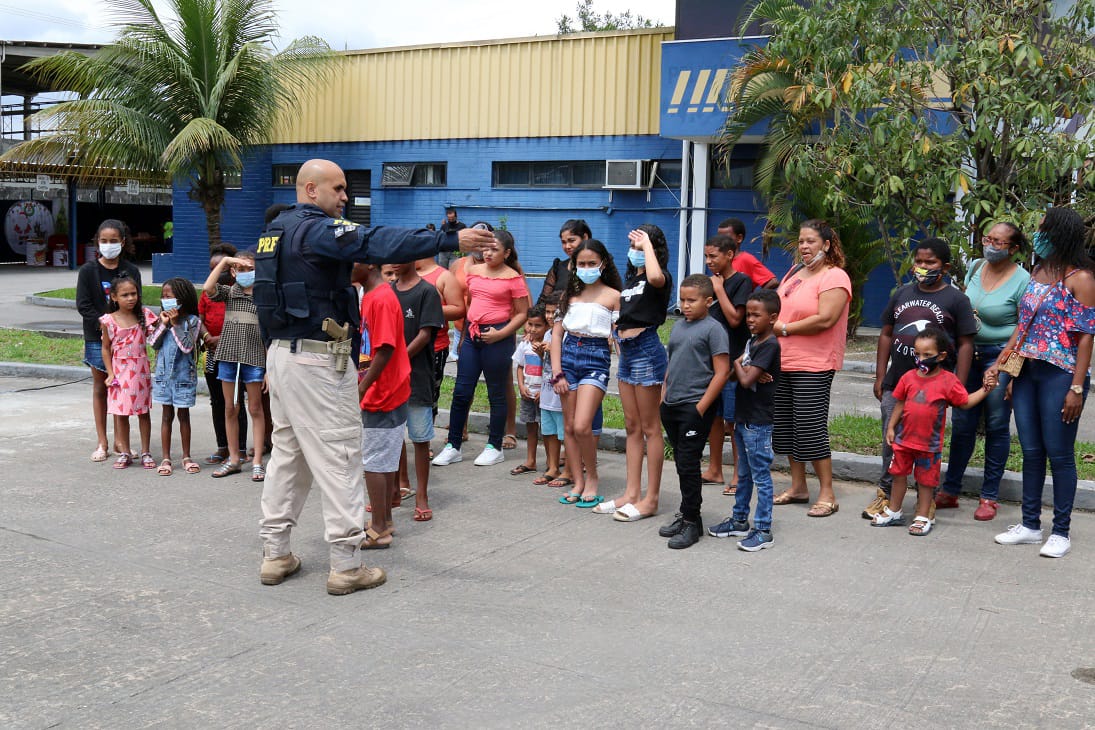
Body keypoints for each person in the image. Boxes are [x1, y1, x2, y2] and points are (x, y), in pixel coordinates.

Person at [253, 158, 492, 596]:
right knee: (342, 457)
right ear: (311, 190)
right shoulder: (316, 229)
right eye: (339, 188)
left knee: (288, 456)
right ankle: (345, 563)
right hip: (319, 362)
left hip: (283, 356)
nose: (346, 197)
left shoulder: (276, 231)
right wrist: (448, 239)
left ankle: (276, 553)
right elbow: (374, 241)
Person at [990, 207, 1095, 558]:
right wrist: (1005, 368)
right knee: (1032, 451)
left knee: (1060, 454)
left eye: (1043, 229)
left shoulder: (1081, 278)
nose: (1038, 235)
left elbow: (1085, 338)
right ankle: (1031, 525)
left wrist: (1077, 388)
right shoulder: (1039, 270)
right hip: (1028, 373)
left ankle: (1061, 531)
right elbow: (1023, 327)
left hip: (1060, 375)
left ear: (1060, 233)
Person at [866, 237, 977, 520]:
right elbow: (887, 333)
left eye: (931, 262)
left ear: (945, 266)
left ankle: (925, 504)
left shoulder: (956, 299)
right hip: (898, 381)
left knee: (925, 445)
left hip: (933, 387)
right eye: (919, 262)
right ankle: (888, 496)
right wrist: (881, 375)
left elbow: (965, 343)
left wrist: (959, 384)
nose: (923, 267)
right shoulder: (902, 293)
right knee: (892, 441)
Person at [936, 223, 1030, 519]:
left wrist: (1006, 367)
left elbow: (1025, 328)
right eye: (988, 239)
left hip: (1000, 355)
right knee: (962, 422)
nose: (990, 245)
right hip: (968, 353)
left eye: (998, 242)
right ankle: (950, 489)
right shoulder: (977, 266)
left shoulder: (1023, 279)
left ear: (1013, 249)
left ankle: (989, 497)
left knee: (997, 424)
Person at [873, 327, 995, 536]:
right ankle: (894, 510)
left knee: (926, 481)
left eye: (927, 355)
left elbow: (964, 402)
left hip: (928, 444)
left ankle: (922, 515)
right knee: (898, 476)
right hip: (903, 441)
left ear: (942, 356)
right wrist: (891, 427)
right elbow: (900, 403)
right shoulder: (909, 377)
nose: (921, 359)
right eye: (917, 354)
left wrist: (985, 390)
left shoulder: (948, 381)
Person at [770, 219, 852, 517]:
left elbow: (826, 318)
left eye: (811, 241)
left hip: (814, 364)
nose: (804, 247)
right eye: (801, 241)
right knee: (788, 427)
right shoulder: (794, 274)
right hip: (783, 362)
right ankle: (798, 487)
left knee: (810, 427)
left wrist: (784, 329)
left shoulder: (834, 277)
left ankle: (827, 493)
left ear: (827, 245)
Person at [433, 229, 529, 467]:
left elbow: (522, 313)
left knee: (496, 393)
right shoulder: (473, 272)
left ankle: (494, 446)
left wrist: (501, 334)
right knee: (461, 391)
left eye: (494, 249)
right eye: (485, 248)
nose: (488, 253)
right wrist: (464, 335)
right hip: (472, 336)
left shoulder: (512, 277)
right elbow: (470, 304)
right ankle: (452, 445)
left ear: (506, 253)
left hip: (498, 336)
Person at [596, 225, 671, 522]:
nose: (636, 253)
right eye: (634, 247)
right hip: (627, 353)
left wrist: (648, 246)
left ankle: (650, 499)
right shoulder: (629, 281)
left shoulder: (659, 277)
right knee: (631, 426)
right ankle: (630, 493)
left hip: (646, 351)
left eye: (641, 247)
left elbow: (655, 276)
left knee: (651, 426)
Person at [657, 274, 731, 549]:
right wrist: (664, 395)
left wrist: (699, 409)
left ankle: (691, 522)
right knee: (681, 463)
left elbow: (722, 372)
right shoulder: (678, 327)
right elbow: (672, 361)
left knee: (688, 464)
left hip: (695, 407)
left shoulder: (714, 329)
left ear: (708, 302)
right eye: (683, 300)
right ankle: (688, 515)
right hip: (672, 405)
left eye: (692, 300)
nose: (685, 305)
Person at [550, 239, 622, 507]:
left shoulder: (614, 296)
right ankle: (578, 481)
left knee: (582, 425)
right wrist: (557, 372)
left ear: (603, 264)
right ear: (574, 266)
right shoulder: (567, 296)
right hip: (567, 358)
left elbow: (617, 338)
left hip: (595, 358)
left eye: (592, 263)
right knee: (568, 426)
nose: (587, 268)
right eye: (582, 264)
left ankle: (592, 478)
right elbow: (557, 335)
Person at [708, 289, 781, 550]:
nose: (750, 319)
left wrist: (742, 366)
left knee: (761, 476)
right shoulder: (753, 343)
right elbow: (732, 374)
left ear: (772, 318)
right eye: (748, 314)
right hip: (743, 418)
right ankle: (739, 520)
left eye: (756, 315)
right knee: (744, 473)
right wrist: (743, 367)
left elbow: (745, 377)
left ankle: (763, 529)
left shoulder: (770, 344)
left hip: (758, 421)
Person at [76, 219, 142, 462]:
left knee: (120, 390)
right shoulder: (88, 271)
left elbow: (136, 302)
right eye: (104, 241)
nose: (109, 245)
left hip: (126, 340)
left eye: (113, 241)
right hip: (98, 337)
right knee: (101, 387)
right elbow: (83, 305)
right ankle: (102, 441)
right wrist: (105, 324)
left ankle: (120, 442)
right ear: (98, 242)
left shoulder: (131, 271)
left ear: (122, 242)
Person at [358, 262, 413, 548]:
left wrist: (362, 387)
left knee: (374, 463)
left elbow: (386, 347)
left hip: (383, 391)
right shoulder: (369, 294)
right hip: (382, 388)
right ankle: (385, 519)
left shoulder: (380, 298)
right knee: (380, 459)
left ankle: (380, 529)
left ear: (368, 264)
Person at [203, 251, 267, 482]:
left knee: (256, 409)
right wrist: (225, 262)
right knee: (230, 408)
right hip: (229, 356)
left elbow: (268, 333)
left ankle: (258, 461)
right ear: (232, 272)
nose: (245, 273)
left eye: (250, 268)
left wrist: (268, 368)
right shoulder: (230, 292)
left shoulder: (263, 296)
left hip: (255, 358)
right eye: (240, 269)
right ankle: (233, 459)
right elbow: (208, 288)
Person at [390, 259, 444, 522]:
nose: (394, 264)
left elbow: (425, 334)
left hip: (417, 376)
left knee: (420, 438)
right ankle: (397, 488)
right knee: (392, 435)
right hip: (389, 376)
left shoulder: (427, 291)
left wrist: (399, 359)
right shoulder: (388, 291)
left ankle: (421, 494)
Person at [701, 233, 754, 495]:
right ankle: (714, 469)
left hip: (733, 366)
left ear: (729, 255)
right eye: (706, 257)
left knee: (733, 422)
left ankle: (738, 474)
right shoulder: (707, 283)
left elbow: (735, 319)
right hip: (711, 364)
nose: (709, 261)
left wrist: (719, 289)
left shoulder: (741, 282)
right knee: (714, 418)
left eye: (713, 256)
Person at [99, 275, 158, 469]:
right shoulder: (108, 321)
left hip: (140, 370)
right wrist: (109, 373)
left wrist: (165, 322)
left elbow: (156, 338)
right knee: (120, 413)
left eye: (133, 293)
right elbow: (106, 348)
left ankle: (146, 451)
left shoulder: (145, 315)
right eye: (125, 295)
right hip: (119, 371)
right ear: (114, 297)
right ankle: (124, 451)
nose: (131, 298)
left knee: (143, 412)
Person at [198, 244, 248, 464]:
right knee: (217, 401)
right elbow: (199, 318)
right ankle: (223, 447)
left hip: (236, 353)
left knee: (237, 401)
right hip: (212, 353)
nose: (218, 273)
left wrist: (222, 338)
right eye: (213, 268)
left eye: (222, 268)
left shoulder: (239, 292)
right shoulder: (208, 294)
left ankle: (242, 448)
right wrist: (206, 335)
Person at [151, 278, 204, 476]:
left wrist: (175, 324)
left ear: (182, 299)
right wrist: (164, 325)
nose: (165, 300)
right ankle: (166, 458)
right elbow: (153, 343)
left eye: (169, 296)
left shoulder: (193, 322)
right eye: (163, 297)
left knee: (183, 416)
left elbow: (187, 346)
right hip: (164, 379)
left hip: (184, 379)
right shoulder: (161, 320)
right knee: (166, 416)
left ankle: (186, 456)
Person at [416, 255, 466, 417]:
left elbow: (459, 309)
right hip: (402, 345)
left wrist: (424, 309)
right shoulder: (400, 273)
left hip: (434, 347)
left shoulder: (443, 276)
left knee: (428, 397)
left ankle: (423, 439)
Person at [510, 304, 549, 477]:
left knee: (548, 430)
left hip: (544, 395)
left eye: (538, 325)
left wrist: (544, 391)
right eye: (530, 324)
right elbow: (519, 366)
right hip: (528, 394)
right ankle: (530, 460)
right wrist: (521, 385)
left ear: (547, 326)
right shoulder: (524, 344)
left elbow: (551, 368)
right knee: (530, 428)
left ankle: (551, 462)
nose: (533, 329)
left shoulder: (549, 346)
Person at [535, 294, 566, 487]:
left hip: (561, 394)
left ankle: (570, 469)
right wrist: (541, 352)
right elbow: (544, 364)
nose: (549, 316)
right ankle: (552, 466)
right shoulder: (547, 334)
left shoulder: (567, 334)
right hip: (547, 391)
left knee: (566, 433)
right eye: (547, 311)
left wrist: (553, 348)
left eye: (553, 312)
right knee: (549, 432)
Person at [717, 218, 778, 289]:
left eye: (726, 238)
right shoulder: (720, 260)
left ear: (739, 238)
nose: (721, 241)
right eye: (719, 237)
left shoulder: (745, 259)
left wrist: (753, 298)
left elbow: (773, 282)